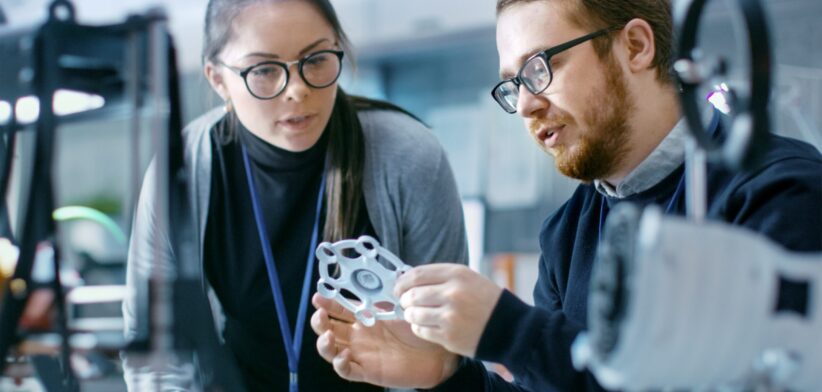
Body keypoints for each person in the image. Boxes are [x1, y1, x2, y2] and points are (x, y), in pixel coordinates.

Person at [311, 0, 822, 390]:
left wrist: (512, 331)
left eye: (539, 67)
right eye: (513, 84)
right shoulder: (568, 232)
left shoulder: (779, 193)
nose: (527, 105)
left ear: (636, 47)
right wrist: (448, 375)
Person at [121, 0, 468, 390]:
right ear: (218, 80)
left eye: (316, 59)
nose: (298, 90)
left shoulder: (408, 156)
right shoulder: (182, 170)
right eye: (265, 70)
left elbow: (442, 346)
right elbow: (157, 350)